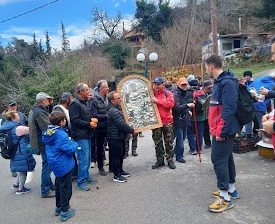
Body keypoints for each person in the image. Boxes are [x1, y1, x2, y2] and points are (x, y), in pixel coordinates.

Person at [206, 55, 241, 213]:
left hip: (223, 129)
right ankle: (231, 189)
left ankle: (224, 197)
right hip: (220, 128)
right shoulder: (220, 82)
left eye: (206, 67)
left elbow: (229, 109)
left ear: (211, 67)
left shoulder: (227, 83)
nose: (206, 70)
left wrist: (221, 130)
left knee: (218, 160)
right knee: (226, 159)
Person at [42, 111, 77, 222]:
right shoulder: (61, 134)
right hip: (64, 164)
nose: (65, 121)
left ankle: (58, 207)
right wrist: (75, 144)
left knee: (59, 186)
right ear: (61, 122)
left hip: (55, 163)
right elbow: (69, 149)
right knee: (66, 188)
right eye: (64, 120)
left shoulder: (48, 131)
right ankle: (65, 211)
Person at [69, 83, 97, 191]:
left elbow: (85, 116)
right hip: (80, 136)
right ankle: (81, 182)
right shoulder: (75, 103)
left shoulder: (85, 102)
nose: (89, 91)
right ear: (81, 92)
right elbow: (74, 120)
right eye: (86, 90)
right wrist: (88, 124)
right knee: (83, 159)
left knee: (88, 158)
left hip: (87, 134)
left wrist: (91, 121)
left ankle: (86, 177)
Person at [0, 110, 36, 194]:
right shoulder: (18, 128)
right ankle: (21, 189)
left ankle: (16, 184)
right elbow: (32, 130)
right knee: (23, 169)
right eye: (17, 116)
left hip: (13, 151)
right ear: (12, 118)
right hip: (21, 150)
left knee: (20, 168)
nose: (19, 117)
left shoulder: (5, 127)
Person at [106, 91, 138, 183]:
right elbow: (121, 124)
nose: (120, 99)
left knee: (121, 155)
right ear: (112, 101)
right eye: (118, 98)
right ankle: (116, 175)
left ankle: (120, 170)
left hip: (119, 136)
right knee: (117, 156)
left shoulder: (116, 109)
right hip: (114, 137)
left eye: (120, 97)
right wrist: (132, 131)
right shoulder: (113, 111)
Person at [28, 92, 55, 198]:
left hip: (40, 142)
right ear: (43, 100)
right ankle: (45, 190)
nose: (49, 102)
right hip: (44, 143)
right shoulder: (39, 112)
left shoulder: (35, 110)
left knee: (47, 165)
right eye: (48, 100)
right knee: (47, 166)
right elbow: (47, 128)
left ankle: (50, 185)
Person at [151, 77, 176, 169]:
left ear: (163, 84)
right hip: (155, 122)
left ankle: (170, 160)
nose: (156, 86)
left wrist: (157, 101)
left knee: (169, 142)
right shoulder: (151, 94)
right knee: (157, 142)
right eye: (155, 84)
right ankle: (160, 160)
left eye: (158, 84)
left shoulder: (168, 93)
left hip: (167, 122)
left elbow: (170, 104)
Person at [53, 92, 78, 180]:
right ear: (68, 99)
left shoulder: (67, 108)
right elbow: (58, 122)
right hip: (64, 134)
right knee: (67, 154)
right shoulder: (58, 109)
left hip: (68, 134)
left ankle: (74, 173)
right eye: (71, 98)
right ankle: (70, 174)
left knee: (71, 155)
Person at [1, 99, 28, 178]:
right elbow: (3, 128)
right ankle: (13, 170)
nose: (13, 106)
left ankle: (19, 175)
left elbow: (27, 122)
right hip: (11, 138)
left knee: (18, 155)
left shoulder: (21, 114)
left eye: (14, 104)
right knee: (12, 153)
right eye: (11, 105)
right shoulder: (5, 115)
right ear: (8, 106)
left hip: (22, 136)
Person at [172, 77, 194, 163]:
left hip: (185, 119)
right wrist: (187, 106)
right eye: (182, 84)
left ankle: (175, 151)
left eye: (185, 84)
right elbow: (176, 108)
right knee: (180, 140)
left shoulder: (184, 92)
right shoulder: (176, 94)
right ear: (178, 84)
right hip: (178, 120)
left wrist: (187, 111)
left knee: (183, 138)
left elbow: (183, 105)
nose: (184, 86)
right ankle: (179, 156)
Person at [90, 80, 109, 176]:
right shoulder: (94, 99)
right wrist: (107, 116)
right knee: (100, 147)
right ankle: (101, 167)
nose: (108, 88)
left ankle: (113, 165)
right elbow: (93, 114)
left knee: (112, 144)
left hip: (109, 126)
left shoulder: (108, 98)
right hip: (99, 128)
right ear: (101, 89)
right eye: (106, 87)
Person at [202, 80, 213, 149]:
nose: (210, 89)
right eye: (208, 88)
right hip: (205, 115)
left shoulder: (213, 93)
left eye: (211, 87)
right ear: (204, 87)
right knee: (205, 129)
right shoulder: (201, 94)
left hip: (212, 114)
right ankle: (208, 143)